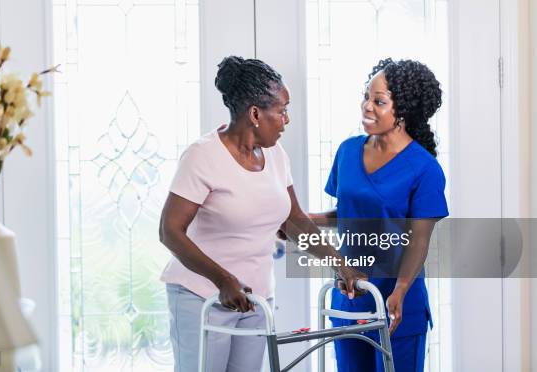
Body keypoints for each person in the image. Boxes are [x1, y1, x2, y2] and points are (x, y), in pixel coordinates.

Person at [159, 56, 364, 372]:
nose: (287, 119)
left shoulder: (276, 155)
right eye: (282, 110)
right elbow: (170, 231)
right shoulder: (203, 156)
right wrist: (223, 279)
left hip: (255, 301)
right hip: (201, 297)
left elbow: (294, 220)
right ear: (255, 113)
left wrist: (340, 264)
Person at [310, 58, 449, 372]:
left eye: (379, 101)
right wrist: (306, 219)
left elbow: (419, 240)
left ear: (405, 111)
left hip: (397, 301)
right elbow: (350, 213)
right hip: (351, 296)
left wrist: (400, 289)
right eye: (366, 97)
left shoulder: (424, 168)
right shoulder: (347, 151)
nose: (366, 106)